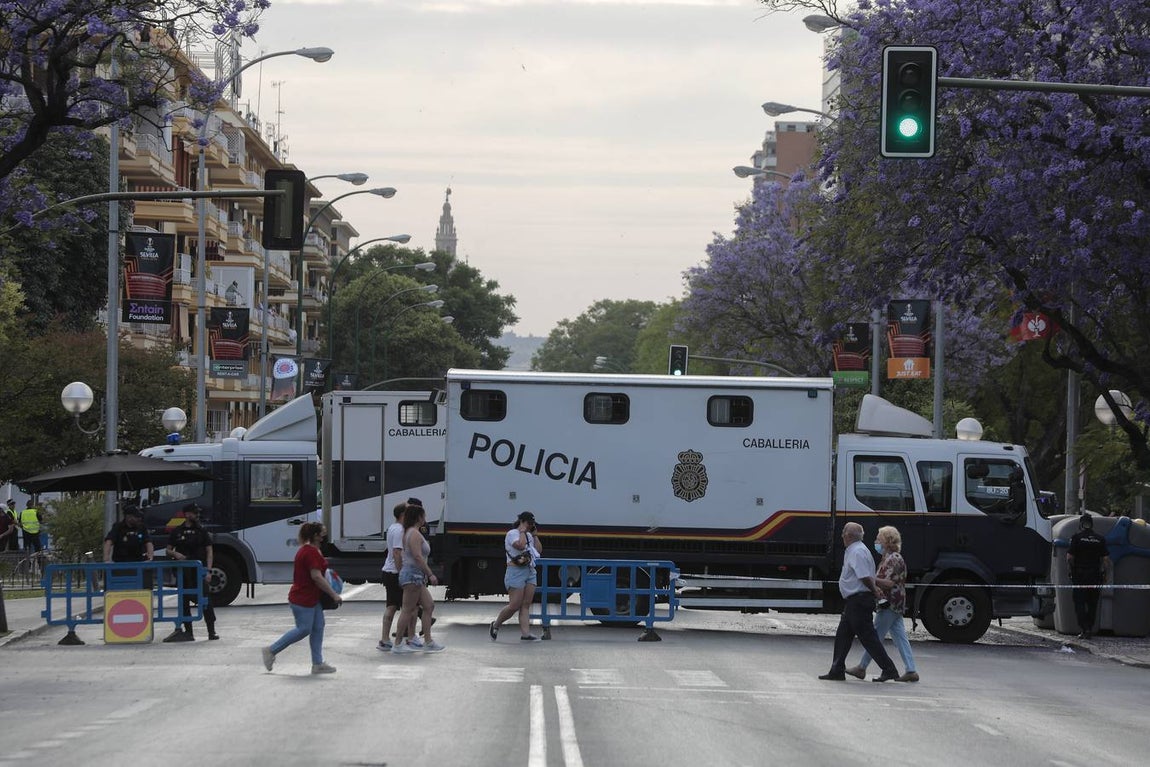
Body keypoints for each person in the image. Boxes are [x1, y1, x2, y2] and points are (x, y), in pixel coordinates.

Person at [819, 522, 900, 682]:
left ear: (848, 536)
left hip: (859, 600)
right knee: (843, 635)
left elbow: (864, 576)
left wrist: (875, 591)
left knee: (868, 638)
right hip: (854, 601)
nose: (841, 535)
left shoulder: (857, 551)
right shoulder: (856, 550)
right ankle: (837, 669)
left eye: (843, 532)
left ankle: (889, 669)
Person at [262, 522, 342, 674]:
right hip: (303, 598)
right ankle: (271, 651)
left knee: (318, 627)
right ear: (315, 535)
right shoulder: (310, 552)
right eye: (322, 533)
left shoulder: (311, 550)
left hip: (311, 597)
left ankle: (317, 664)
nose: (324, 535)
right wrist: (334, 594)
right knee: (304, 629)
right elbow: (316, 577)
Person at [846, 526, 919, 682]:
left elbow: (888, 583)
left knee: (874, 636)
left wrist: (869, 577)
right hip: (894, 603)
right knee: (900, 638)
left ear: (887, 541)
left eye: (879, 539)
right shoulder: (888, 558)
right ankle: (911, 670)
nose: (876, 542)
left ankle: (862, 667)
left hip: (890, 603)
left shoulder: (894, 558)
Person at [392, 503, 445, 654]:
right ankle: (397, 644)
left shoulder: (410, 532)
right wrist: (430, 573)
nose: (425, 518)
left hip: (414, 575)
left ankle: (428, 641)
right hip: (412, 575)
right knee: (408, 610)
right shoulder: (414, 534)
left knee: (429, 605)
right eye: (424, 515)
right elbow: (417, 556)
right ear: (419, 517)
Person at [164, 503, 218, 642]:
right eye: (194, 513)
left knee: (206, 601)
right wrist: (175, 554)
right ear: (187, 514)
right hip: (184, 573)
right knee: (184, 600)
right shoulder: (178, 531)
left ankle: (211, 631)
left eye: (197, 513)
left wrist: (209, 571)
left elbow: (209, 551)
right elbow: (168, 549)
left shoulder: (202, 531)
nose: (197, 515)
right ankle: (188, 632)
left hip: (199, 571)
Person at [490, 511, 543, 642]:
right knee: (514, 605)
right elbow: (520, 546)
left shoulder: (529, 535)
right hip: (515, 571)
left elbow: (539, 550)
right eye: (529, 523)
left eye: (533, 524)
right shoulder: (512, 534)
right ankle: (496, 625)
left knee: (526, 604)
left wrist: (535, 536)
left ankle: (526, 634)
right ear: (522, 522)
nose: (531, 526)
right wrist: (522, 532)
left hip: (530, 571)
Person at [1067, 514, 1111, 639]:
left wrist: (1071, 570)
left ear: (1081, 524)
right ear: (1092, 524)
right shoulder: (1100, 539)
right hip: (1095, 575)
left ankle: (1084, 628)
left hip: (1080, 575)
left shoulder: (1077, 538)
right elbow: (1106, 560)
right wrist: (1104, 574)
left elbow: (1069, 557)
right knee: (1092, 603)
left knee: (1079, 602)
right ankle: (1090, 627)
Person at [377, 502, 407, 651]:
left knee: (394, 606)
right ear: (402, 515)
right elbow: (397, 552)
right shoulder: (400, 530)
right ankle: (387, 639)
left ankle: (386, 639)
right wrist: (402, 572)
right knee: (395, 606)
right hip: (394, 572)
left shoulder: (392, 527)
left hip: (389, 571)